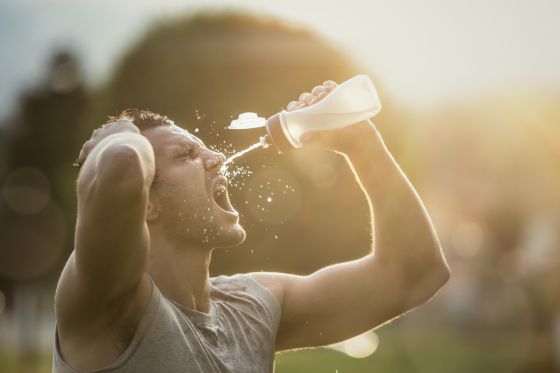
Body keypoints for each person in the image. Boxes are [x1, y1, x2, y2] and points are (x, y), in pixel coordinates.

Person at [52, 80, 450, 372]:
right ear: (148, 202)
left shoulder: (252, 307)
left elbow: (415, 274)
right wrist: (117, 135)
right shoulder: (108, 302)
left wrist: (362, 145)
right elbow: (119, 166)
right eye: (187, 154)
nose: (215, 158)